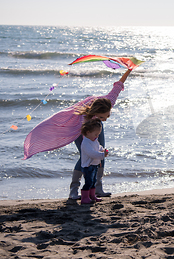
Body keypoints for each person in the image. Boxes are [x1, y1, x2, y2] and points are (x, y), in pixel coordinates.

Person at [23, 68, 132, 199]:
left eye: (107, 116)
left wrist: (129, 69)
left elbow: (119, 84)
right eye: (103, 117)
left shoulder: (109, 101)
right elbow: (71, 129)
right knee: (84, 156)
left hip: (95, 126)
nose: (106, 119)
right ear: (95, 113)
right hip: (82, 130)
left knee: (100, 153)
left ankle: (98, 188)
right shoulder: (81, 120)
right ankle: (74, 190)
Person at [79, 119, 108, 204]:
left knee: (94, 181)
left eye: (98, 134)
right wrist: (102, 155)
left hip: (94, 165)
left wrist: (103, 150)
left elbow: (98, 147)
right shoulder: (86, 143)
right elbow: (91, 153)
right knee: (88, 182)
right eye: (95, 134)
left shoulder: (94, 140)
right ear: (88, 132)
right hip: (88, 166)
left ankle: (92, 196)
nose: (97, 136)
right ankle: (85, 198)